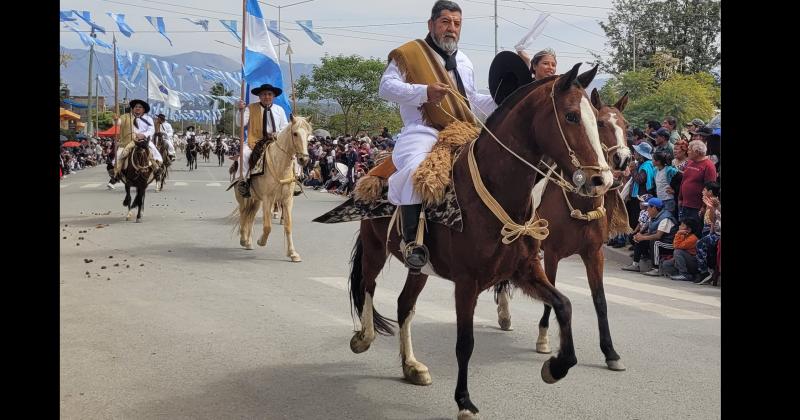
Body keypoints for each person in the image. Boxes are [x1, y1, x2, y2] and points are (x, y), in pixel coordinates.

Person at [378, 0, 497, 271]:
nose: (451, 29)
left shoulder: (464, 61)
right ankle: (412, 242)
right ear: (431, 25)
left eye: (456, 24)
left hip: (463, 130)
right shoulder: (409, 54)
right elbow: (386, 88)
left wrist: (502, 100)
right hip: (422, 130)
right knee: (414, 169)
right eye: (445, 22)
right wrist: (424, 92)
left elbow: (472, 100)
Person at [235, 83, 289, 197]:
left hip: (276, 142)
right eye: (264, 94)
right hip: (255, 141)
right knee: (243, 155)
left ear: (273, 96)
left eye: (269, 94)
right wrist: (240, 110)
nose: (267, 96)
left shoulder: (279, 110)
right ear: (259, 96)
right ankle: (244, 182)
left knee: (293, 155)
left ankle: (294, 180)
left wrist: (277, 134)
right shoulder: (250, 108)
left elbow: (284, 127)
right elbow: (240, 123)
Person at [108, 99, 161, 189]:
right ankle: (115, 176)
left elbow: (151, 130)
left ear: (143, 109)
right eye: (136, 107)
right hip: (128, 141)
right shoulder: (126, 117)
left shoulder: (148, 118)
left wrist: (143, 135)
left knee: (154, 154)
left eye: (140, 107)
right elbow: (118, 123)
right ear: (133, 108)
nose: (137, 108)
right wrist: (116, 119)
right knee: (120, 155)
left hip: (144, 140)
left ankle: (157, 170)